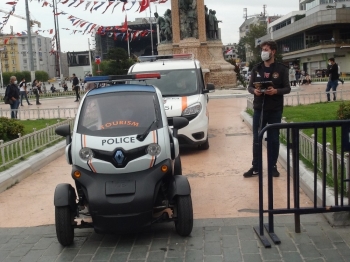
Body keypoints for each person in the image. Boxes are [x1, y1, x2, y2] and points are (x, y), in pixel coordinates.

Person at [243, 40, 291, 178]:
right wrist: (254, 91)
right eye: (262, 49)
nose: (263, 52)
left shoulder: (282, 69)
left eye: (266, 49)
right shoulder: (257, 68)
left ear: (273, 51)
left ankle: (272, 167)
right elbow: (250, 86)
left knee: (274, 139)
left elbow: (287, 88)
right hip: (260, 108)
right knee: (257, 138)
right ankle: (256, 167)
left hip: (275, 109)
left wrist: (275, 91)